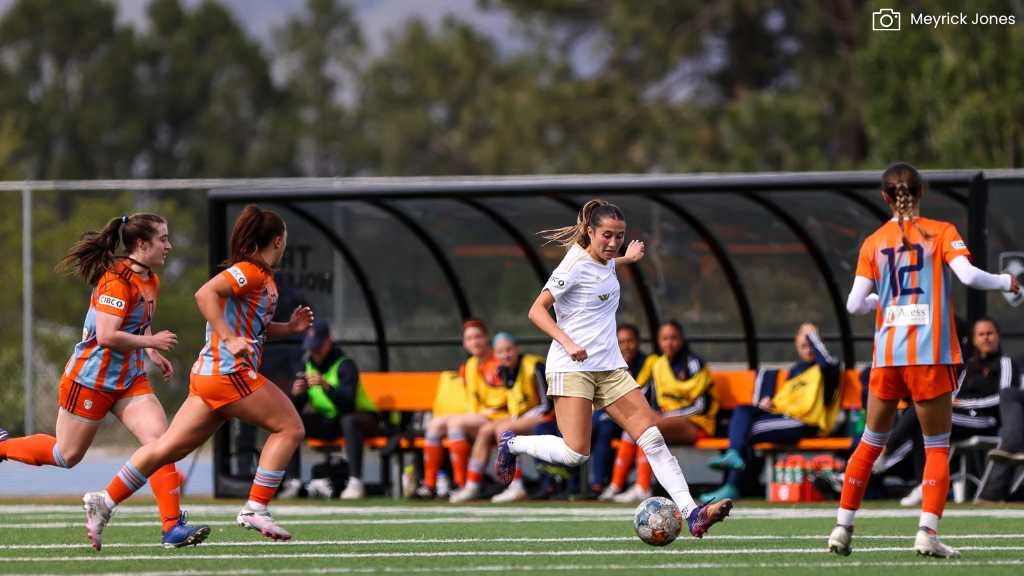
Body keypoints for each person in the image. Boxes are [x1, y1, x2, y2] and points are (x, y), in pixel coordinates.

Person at [81, 205, 314, 549]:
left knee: (166, 449)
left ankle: (105, 500)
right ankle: (256, 508)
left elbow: (252, 329)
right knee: (291, 427)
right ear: (278, 241)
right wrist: (231, 339)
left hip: (210, 376)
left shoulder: (262, 278)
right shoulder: (248, 271)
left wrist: (289, 329)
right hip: (227, 374)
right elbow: (205, 294)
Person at [495, 199, 731, 538]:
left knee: (653, 439)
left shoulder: (606, 260)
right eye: (606, 235)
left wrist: (627, 259)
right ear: (590, 232)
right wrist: (568, 342)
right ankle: (513, 444)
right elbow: (536, 310)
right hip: (571, 366)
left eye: (619, 236)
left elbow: (602, 266)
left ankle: (692, 513)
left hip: (609, 367)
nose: (613, 242)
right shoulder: (572, 265)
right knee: (576, 453)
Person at [827, 163, 1020, 558]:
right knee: (936, 447)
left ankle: (842, 527)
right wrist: (1007, 282)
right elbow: (966, 276)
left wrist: (884, 299)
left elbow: (853, 304)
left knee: (869, 443)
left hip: (888, 357)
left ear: (885, 197)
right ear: (922, 192)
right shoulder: (941, 232)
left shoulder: (873, 241)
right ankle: (926, 532)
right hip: (929, 356)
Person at [0, 213, 208, 548]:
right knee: (67, 455)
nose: (169, 246)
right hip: (90, 381)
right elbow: (108, 335)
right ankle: (3, 446)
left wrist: (151, 350)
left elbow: (137, 321)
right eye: (163, 239)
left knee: (161, 442)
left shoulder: (150, 279)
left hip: (128, 379)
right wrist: (150, 343)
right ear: (142, 244)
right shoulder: (115, 281)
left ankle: (172, 528)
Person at [873, 317, 1021, 505]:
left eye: (990, 333)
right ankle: (923, 483)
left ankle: (885, 450)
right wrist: (947, 403)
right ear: (974, 340)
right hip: (962, 418)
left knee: (922, 414)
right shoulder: (970, 366)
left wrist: (963, 405)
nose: (986, 338)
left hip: (987, 420)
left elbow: (1004, 398)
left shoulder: (1005, 362)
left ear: (998, 336)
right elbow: (954, 395)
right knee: (923, 416)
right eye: (981, 334)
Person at [700, 323, 840, 503]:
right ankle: (734, 464)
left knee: (744, 432)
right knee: (743, 410)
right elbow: (788, 400)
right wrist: (769, 403)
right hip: (783, 417)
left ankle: (733, 484)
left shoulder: (830, 367)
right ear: (796, 343)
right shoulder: (796, 370)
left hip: (804, 422)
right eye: (803, 342)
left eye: (811, 341)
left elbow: (827, 365)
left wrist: (812, 337)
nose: (808, 347)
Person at [605, 320, 717, 503]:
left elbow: (701, 407)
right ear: (658, 341)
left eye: (673, 338)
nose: (669, 343)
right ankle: (616, 485)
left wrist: (663, 416)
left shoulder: (694, 363)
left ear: (681, 339)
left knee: (648, 427)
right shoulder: (658, 365)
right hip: (667, 423)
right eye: (664, 339)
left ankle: (642, 487)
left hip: (697, 424)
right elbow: (646, 397)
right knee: (637, 427)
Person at [448, 332, 549, 503]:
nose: (506, 355)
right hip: (519, 418)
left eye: (509, 350)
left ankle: (516, 486)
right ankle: (472, 485)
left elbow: (548, 404)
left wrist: (520, 418)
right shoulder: (502, 370)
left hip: (545, 416)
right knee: (485, 431)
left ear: (516, 349)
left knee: (503, 429)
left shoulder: (534, 365)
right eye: (501, 352)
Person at [290, 320, 379, 499]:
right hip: (331, 422)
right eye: (311, 347)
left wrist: (326, 386)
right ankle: (292, 482)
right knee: (291, 424)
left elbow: (348, 405)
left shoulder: (345, 365)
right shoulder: (306, 365)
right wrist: (297, 395)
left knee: (349, 420)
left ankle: (355, 482)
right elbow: (297, 406)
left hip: (364, 420)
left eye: (318, 347)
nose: (314, 352)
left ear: (328, 341)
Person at [415, 319, 503, 498]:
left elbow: (506, 394)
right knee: (435, 424)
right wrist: (475, 412)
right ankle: (429, 484)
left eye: (478, 336)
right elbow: (472, 400)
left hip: (499, 415)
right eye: (469, 338)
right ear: (464, 343)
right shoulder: (469, 366)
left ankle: (462, 484)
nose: (474, 342)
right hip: (479, 415)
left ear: (486, 338)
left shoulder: (499, 361)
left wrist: (484, 411)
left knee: (456, 423)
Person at [591, 323, 656, 498]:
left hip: (642, 416)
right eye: (621, 342)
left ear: (638, 342)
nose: (626, 346)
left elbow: (642, 395)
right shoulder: (611, 363)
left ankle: (626, 485)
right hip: (618, 417)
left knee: (624, 428)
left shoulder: (649, 363)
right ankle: (598, 483)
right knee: (597, 425)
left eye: (630, 341)